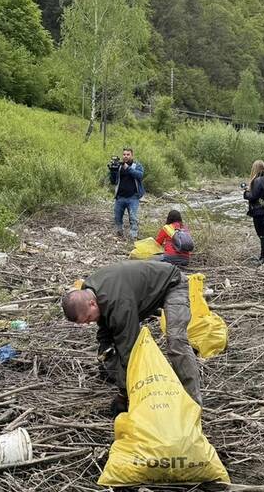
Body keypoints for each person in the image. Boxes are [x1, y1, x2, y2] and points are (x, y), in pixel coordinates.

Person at [62, 261, 200, 416]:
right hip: (148, 292)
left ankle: (193, 402)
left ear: (92, 304)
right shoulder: (89, 289)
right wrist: (105, 352)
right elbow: (105, 325)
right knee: (112, 346)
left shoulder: (118, 303)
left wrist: (123, 394)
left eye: (88, 318)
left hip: (172, 284)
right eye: (85, 322)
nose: (88, 323)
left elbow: (130, 350)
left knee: (176, 341)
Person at [107, 147, 144, 240]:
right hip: (120, 197)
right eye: (124, 154)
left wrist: (128, 168)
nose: (126, 156)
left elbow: (140, 175)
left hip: (133, 197)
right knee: (117, 217)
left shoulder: (137, 165)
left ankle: (133, 236)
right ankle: (119, 233)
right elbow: (113, 181)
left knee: (133, 218)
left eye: (128, 154)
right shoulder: (119, 166)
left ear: (132, 155)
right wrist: (112, 171)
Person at [242, 159, 264, 264]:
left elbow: (253, 197)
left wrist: (246, 193)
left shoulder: (258, 180)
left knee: (262, 235)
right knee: (262, 235)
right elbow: (259, 195)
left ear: (255, 168)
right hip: (263, 210)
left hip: (258, 212)